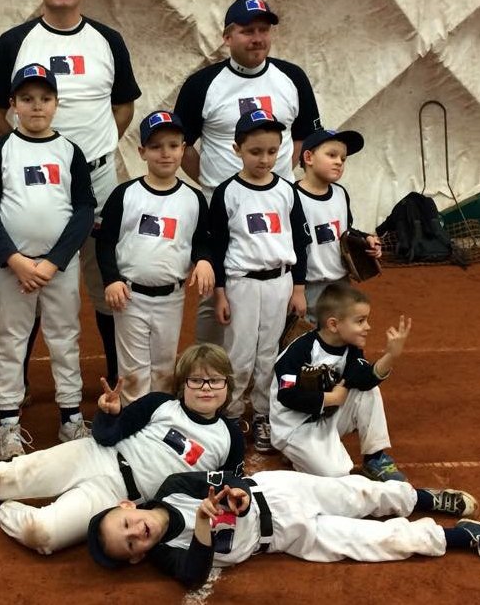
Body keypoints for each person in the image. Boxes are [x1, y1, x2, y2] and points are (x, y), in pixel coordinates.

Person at [0, 344, 246, 557]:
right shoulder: (161, 404)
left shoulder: (229, 436)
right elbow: (107, 435)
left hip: (120, 499)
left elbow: (222, 488)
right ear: (182, 385)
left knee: (43, 535)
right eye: (197, 381)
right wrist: (108, 414)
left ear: (227, 387)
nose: (206, 388)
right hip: (96, 455)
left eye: (215, 381)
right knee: (4, 475)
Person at [0, 0, 142, 387]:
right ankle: (17, 386)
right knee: (31, 273)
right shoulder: (15, 42)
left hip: (99, 178)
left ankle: (116, 380)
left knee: (105, 274)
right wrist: (25, 157)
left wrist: (91, 154)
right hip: (35, 183)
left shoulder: (108, 40)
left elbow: (123, 105)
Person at [174, 0, 319, 346]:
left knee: (279, 280)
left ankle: (274, 369)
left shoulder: (292, 77)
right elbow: (181, 144)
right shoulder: (202, 85)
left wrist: (275, 179)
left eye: (263, 30)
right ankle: (208, 368)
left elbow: (304, 136)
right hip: (221, 205)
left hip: (276, 203)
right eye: (247, 30)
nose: (257, 38)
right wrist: (214, 183)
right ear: (227, 36)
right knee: (215, 289)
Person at [0, 64, 95, 461]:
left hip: (59, 268)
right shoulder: (1, 150)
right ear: (13, 104)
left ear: (56, 103)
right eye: (27, 99)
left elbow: (83, 211)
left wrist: (54, 261)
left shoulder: (69, 151)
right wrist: (14, 260)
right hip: (15, 270)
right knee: (11, 339)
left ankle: (70, 416)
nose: (36, 106)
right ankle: (9, 420)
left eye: (44, 98)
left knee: (65, 338)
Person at [87, 469, 480, 590]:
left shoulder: (173, 487)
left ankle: (422, 499)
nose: (136, 532)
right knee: (370, 541)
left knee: (360, 492)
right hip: (283, 537)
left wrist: (237, 494)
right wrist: (203, 525)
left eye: (126, 524)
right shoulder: (165, 554)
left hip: (278, 491)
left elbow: (227, 477)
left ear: (128, 505)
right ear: (137, 557)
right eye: (130, 544)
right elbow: (192, 576)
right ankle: (459, 536)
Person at [96, 110, 214, 404]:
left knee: (164, 367)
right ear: (142, 152)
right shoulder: (125, 194)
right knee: (133, 370)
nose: (165, 153)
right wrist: (111, 280)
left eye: (173, 145)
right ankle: (133, 418)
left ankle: (159, 418)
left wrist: (203, 260)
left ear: (184, 149)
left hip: (171, 298)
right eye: (156, 146)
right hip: (130, 296)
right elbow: (105, 242)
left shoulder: (193, 198)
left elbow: (201, 240)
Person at [210, 110, 309, 453]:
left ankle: (263, 412)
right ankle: (232, 413)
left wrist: (298, 288)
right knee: (238, 352)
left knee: (269, 352)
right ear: (237, 149)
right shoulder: (227, 192)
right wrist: (220, 293)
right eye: (255, 151)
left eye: (272, 151)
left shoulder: (286, 191)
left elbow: (299, 242)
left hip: (280, 281)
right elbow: (218, 246)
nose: (264, 159)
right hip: (242, 283)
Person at [269, 283, 411, 482]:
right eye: (360, 321)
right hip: (295, 428)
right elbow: (287, 395)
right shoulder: (299, 351)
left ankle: (374, 458)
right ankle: (297, 455)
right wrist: (332, 398)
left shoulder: (350, 348)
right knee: (338, 475)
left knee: (369, 391)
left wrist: (391, 356)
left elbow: (364, 379)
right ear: (334, 325)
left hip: (326, 417)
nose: (368, 327)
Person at [296, 128, 382, 321]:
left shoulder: (340, 193)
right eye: (331, 155)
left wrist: (365, 239)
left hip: (341, 283)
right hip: (308, 286)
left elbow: (345, 231)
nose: (339, 162)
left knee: (341, 330)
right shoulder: (292, 197)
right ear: (308, 157)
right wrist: (296, 289)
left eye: (343, 158)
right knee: (309, 334)